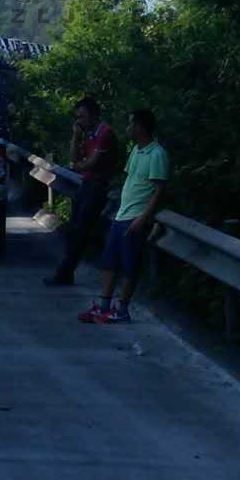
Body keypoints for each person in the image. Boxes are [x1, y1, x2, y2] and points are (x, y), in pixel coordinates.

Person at [78, 107, 168, 325]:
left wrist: (144, 217)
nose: (128, 128)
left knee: (129, 265)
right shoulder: (136, 150)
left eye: (131, 124)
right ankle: (104, 306)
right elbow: (131, 179)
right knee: (109, 261)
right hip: (121, 214)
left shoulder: (157, 154)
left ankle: (122, 310)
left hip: (136, 217)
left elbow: (159, 190)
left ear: (140, 127)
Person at [44, 97, 118, 286]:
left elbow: (91, 163)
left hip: (98, 186)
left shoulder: (104, 133)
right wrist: (75, 136)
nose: (79, 121)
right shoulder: (88, 134)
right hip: (86, 184)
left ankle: (65, 273)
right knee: (74, 230)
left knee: (80, 232)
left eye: (82, 117)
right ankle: (66, 271)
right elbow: (74, 159)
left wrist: (79, 165)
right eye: (77, 117)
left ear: (93, 115)